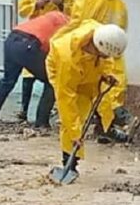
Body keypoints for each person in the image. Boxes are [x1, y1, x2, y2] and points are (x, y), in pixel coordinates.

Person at [46, 19, 128, 179]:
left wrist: (107, 74)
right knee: (72, 119)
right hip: (65, 76)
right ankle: (69, 163)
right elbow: (66, 101)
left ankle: (105, 128)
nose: (107, 58)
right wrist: (76, 133)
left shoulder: (102, 34)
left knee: (101, 106)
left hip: (89, 69)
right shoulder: (67, 59)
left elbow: (107, 61)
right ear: (98, 48)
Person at [68, 0, 134, 142]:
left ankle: (101, 127)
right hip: (114, 52)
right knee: (111, 91)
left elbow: (76, 25)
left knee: (93, 92)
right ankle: (106, 128)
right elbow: (123, 26)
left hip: (93, 52)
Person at [0, 11, 69, 128]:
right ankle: (41, 122)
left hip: (12, 39)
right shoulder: (67, 26)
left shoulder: (54, 15)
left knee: (7, 81)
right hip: (29, 43)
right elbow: (59, 50)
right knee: (53, 81)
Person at [15, 0, 73, 122]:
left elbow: (73, 12)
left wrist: (60, 3)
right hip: (36, 33)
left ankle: (52, 109)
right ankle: (23, 109)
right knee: (28, 74)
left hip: (56, 36)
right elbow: (22, 9)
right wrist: (36, 5)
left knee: (54, 73)